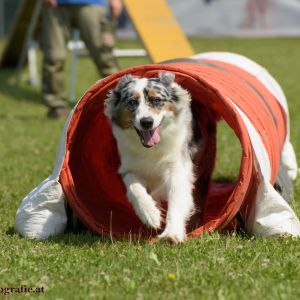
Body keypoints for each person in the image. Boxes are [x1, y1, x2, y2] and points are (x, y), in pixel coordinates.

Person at [42, 0, 123, 118]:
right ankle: (56, 107)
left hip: (92, 3)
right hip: (56, 5)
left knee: (105, 58)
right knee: (54, 58)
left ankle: (123, 102)